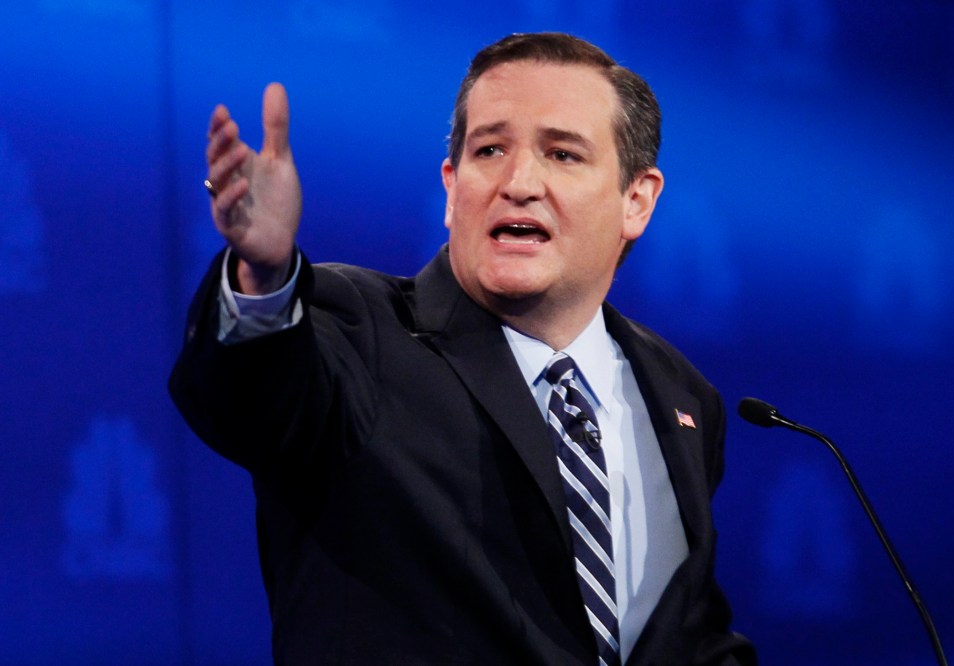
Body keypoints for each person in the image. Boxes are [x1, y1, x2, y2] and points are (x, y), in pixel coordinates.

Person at [170, 32, 756, 665]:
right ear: (452, 187)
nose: (518, 181)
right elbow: (253, 398)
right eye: (490, 149)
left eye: (561, 154)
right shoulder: (356, 330)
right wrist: (265, 279)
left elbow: (682, 636)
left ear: (636, 200)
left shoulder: (681, 397)